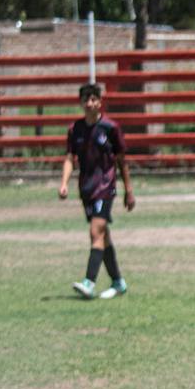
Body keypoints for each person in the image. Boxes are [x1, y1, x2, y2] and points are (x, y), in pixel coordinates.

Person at [57, 82, 133, 299]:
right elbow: (70, 159)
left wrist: (128, 190)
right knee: (103, 236)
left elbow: (122, 161)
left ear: (100, 102)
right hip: (86, 189)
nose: (89, 104)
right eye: (85, 100)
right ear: (80, 103)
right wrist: (64, 183)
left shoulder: (111, 128)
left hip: (105, 187)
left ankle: (89, 283)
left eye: (93, 99)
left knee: (95, 232)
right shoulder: (75, 130)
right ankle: (118, 282)